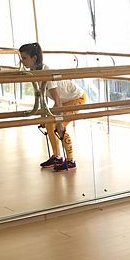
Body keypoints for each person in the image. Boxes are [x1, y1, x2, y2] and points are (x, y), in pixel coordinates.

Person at [19, 42, 87, 171]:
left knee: (59, 126)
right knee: (50, 124)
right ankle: (57, 157)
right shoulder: (34, 72)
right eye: (21, 58)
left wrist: (59, 121)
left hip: (77, 98)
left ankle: (71, 161)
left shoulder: (46, 71)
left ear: (34, 58)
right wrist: (44, 116)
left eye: (24, 58)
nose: (23, 62)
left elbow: (57, 99)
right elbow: (43, 94)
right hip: (64, 100)